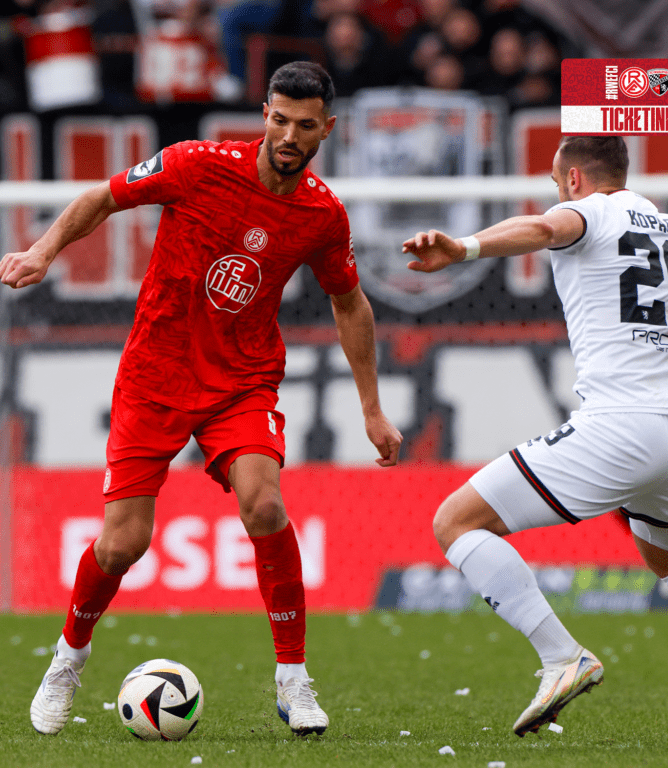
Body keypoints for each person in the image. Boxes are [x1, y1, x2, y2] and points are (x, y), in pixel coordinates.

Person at [0, 60, 403, 738]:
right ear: (265, 115)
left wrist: (371, 408)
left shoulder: (321, 214)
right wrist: (43, 252)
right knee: (123, 544)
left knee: (266, 503)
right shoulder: (194, 164)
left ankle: (294, 679)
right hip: (154, 377)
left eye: (305, 126)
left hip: (240, 382)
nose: (289, 135)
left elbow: (349, 304)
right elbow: (101, 197)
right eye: (279, 119)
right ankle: (68, 658)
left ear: (325, 130)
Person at [401, 135, 668, 740]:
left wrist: (464, 247)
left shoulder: (589, 211)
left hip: (621, 426)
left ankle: (560, 656)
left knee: (456, 522)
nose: (555, 196)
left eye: (554, 184)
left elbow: (545, 231)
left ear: (573, 179)